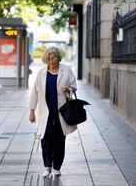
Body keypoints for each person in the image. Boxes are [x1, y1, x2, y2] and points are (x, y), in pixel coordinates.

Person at [29, 46, 77, 177]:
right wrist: (32, 110)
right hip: (46, 113)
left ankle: (57, 167)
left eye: (54, 57)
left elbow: (74, 87)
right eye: (49, 58)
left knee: (60, 140)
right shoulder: (42, 72)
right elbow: (35, 92)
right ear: (46, 59)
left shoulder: (66, 71)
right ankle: (47, 166)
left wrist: (68, 89)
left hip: (61, 112)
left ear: (58, 58)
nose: (52, 60)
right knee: (46, 140)